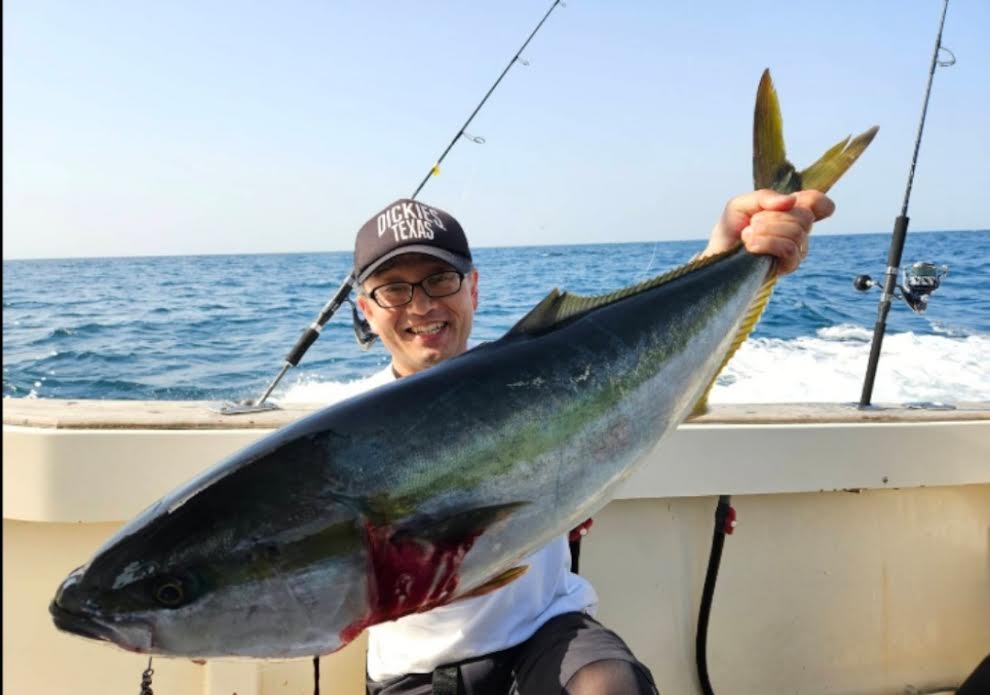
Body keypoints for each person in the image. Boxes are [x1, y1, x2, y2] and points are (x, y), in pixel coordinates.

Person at [340, 190, 833, 695]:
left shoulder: (537, 376)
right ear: (366, 310)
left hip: (546, 634)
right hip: (410, 671)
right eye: (394, 289)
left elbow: (636, 346)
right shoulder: (346, 440)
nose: (421, 305)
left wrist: (726, 251)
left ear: (474, 289)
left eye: (440, 279)